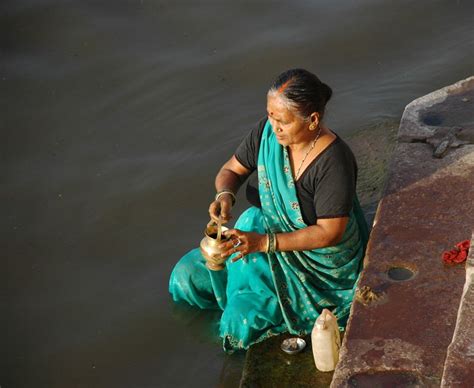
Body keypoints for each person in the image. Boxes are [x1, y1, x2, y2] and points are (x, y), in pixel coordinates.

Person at [169, 68, 369, 352]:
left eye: (283, 122)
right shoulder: (267, 133)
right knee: (185, 277)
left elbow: (330, 233)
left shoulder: (333, 162)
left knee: (237, 324)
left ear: (312, 120)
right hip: (261, 235)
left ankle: (239, 307)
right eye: (271, 116)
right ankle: (238, 288)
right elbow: (231, 170)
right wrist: (225, 194)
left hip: (314, 266)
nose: (274, 128)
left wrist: (263, 244)